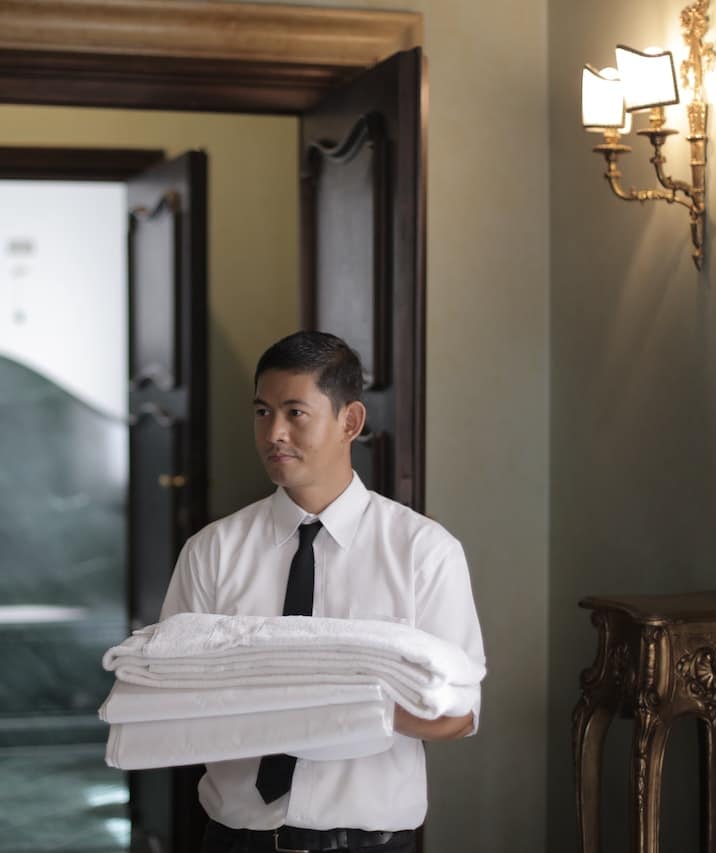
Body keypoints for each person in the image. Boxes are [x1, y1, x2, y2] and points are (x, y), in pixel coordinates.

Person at [159, 330, 486, 853]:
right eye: (263, 412)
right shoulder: (212, 551)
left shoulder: (422, 550)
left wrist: (342, 709)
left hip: (368, 842)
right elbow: (169, 693)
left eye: (295, 412)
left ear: (349, 422)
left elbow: (459, 713)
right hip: (234, 839)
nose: (274, 434)